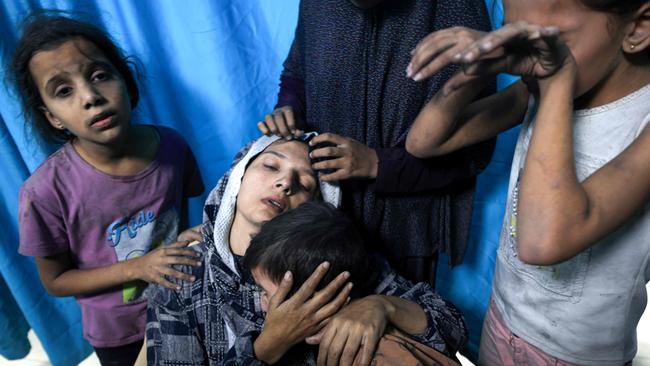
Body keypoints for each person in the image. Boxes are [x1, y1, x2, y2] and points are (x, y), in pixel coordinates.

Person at [405, 0, 650, 364]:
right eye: (514, 34)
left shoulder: (639, 123)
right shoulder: (538, 85)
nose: (530, 55)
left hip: (577, 355)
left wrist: (556, 85)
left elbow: (543, 243)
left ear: (638, 27)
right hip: (502, 319)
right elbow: (424, 142)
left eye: (547, 40)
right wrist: (476, 72)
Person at [146, 134, 468, 365]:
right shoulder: (184, 274)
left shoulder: (335, 262)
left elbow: (453, 327)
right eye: (271, 166)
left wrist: (383, 307)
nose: (286, 183)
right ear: (236, 180)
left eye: (305, 184)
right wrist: (269, 345)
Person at [257, 0, 495, 284]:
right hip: (313, 214)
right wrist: (289, 110)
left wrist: (377, 165)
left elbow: (471, 153)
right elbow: (298, 71)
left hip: (404, 227)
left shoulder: (455, 8)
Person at [12, 14, 204, 366]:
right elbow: (56, 281)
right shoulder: (43, 192)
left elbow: (180, 227)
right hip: (120, 334)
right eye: (64, 90)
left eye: (100, 75)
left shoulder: (173, 147)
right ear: (52, 116)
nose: (90, 97)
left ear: (125, 81)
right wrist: (139, 267)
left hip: (185, 304)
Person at [238, 200, 462, 366]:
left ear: (319, 298)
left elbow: (454, 326)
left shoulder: (381, 353)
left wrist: (383, 305)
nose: (261, 300)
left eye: (266, 292)